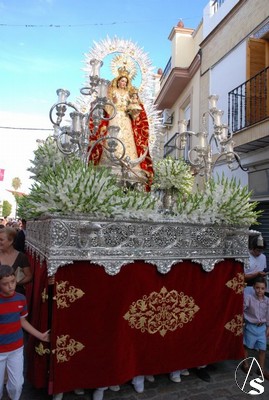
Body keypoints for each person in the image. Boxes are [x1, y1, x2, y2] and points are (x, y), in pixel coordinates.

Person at [89, 66, 154, 189]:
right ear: (118, 81)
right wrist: (111, 102)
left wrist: (134, 108)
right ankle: (109, 162)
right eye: (121, 81)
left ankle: (130, 164)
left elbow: (134, 108)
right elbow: (107, 107)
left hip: (126, 118)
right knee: (113, 138)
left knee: (128, 140)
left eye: (125, 81)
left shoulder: (130, 94)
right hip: (114, 117)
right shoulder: (112, 91)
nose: (123, 83)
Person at [0, 264, 50, 400]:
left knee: (17, 385)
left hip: (16, 349)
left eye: (13, 282)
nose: (10, 286)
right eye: (5, 284)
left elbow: (23, 321)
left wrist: (40, 335)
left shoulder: (21, 299)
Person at [241, 276, 269, 379]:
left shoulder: (267, 301)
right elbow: (242, 309)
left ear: (265, 288)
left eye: (262, 288)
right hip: (251, 327)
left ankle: (260, 369)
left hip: (262, 328)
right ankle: (245, 365)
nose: (260, 291)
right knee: (247, 346)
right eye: (257, 288)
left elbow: (268, 314)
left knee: (262, 349)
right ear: (253, 287)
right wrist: (243, 320)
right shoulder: (249, 298)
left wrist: (268, 327)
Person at [0, 227, 32, 295]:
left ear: (11, 241)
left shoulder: (21, 257)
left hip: (15, 296)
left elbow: (29, 276)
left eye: (1, 240)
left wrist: (14, 283)